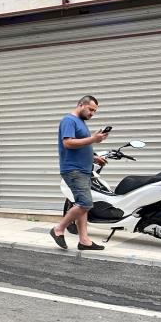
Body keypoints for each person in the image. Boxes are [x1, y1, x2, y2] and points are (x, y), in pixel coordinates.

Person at [50, 95, 110, 251]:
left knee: (82, 205)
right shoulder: (69, 120)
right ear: (81, 105)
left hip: (83, 169)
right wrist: (93, 139)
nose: (92, 114)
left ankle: (84, 241)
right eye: (90, 109)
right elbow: (68, 143)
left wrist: (94, 157)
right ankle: (58, 229)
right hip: (74, 169)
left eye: (94, 111)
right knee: (85, 203)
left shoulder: (80, 123)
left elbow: (81, 146)